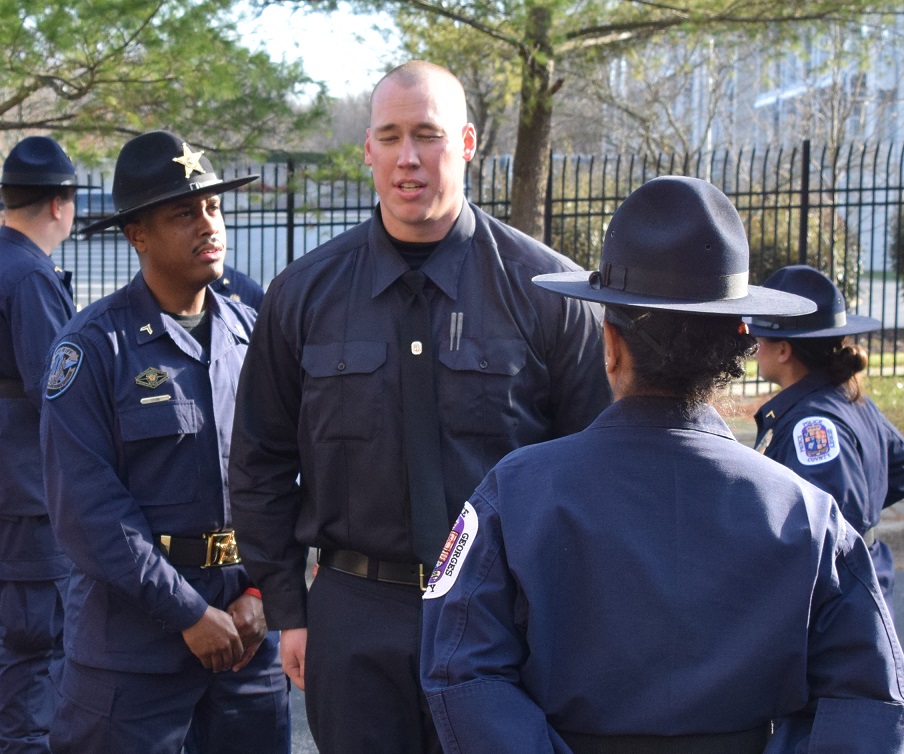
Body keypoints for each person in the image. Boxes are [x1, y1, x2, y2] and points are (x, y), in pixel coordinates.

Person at [420, 176, 904, 753]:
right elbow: (865, 697)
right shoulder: (807, 514)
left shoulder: (515, 492)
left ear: (610, 346)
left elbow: (462, 669)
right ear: (738, 346)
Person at [228, 60, 611, 754]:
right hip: (354, 618)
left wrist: (568, 617)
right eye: (390, 136)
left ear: (466, 143)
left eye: (428, 135)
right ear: (367, 150)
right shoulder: (303, 295)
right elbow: (260, 461)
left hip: (504, 614)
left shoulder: (548, 293)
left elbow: (594, 469)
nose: (408, 157)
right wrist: (290, 609)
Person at [39, 130, 289, 753]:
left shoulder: (251, 335)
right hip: (133, 648)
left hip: (246, 637)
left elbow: (290, 472)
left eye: (213, 207)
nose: (209, 225)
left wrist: (262, 592)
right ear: (137, 235)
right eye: (184, 213)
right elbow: (90, 510)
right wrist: (187, 613)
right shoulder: (93, 349)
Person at [748, 264, 904, 613]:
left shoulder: (813, 425)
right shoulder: (848, 397)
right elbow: (896, 469)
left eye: (759, 337)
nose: (755, 348)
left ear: (784, 351)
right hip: (859, 596)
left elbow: (819, 537)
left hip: (836, 610)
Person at [0, 135, 82, 753]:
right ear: (60, 203)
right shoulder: (29, 275)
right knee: (36, 650)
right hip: (26, 495)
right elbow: (58, 392)